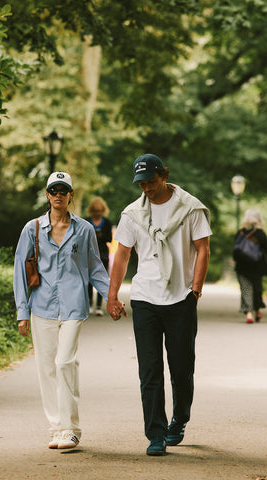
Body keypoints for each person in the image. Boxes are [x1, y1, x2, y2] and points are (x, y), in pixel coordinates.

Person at [107, 154, 211, 456]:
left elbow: (202, 249)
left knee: (181, 367)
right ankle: (155, 433)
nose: (147, 189)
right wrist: (113, 296)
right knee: (149, 370)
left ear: (163, 176)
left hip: (180, 298)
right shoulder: (132, 215)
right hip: (145, 299)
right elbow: (122, 255)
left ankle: (179, 418)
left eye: (151, 182)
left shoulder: (190, 208)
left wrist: (195, 290)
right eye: (141, 184)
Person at [14, 172, 110, 450]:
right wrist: (22, 312)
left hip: (73, 305)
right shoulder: (31, 229)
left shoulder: (84, 229)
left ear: (71, 195)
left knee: (65, 362)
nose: (58, 194)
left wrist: (111, 298)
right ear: (47, 195)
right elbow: (20, 271)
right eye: (53, 190)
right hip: (41, 305)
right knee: (46, 368)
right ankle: (56, 427)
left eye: (63, 190)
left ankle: (71, 428)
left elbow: (95, 267)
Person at [233, 208, 267, 323]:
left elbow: (235, 250)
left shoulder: (241, 232)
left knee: (246, 289)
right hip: (257, 267)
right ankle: (257, 310)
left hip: (242, 266)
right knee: (257, 289)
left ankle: (248, 313)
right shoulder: (261, 234)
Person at [86, 197, 112, 316]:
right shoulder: (86, 222)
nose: (97, 213)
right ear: (91, 211)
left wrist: (100, 235)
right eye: (95, 210)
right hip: (88, 254)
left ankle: (98, 306)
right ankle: (90, 304)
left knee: (101, 279)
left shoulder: (106, 223)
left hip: (102, 254)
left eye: (99, 210)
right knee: (89, 281)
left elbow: (110, 239)